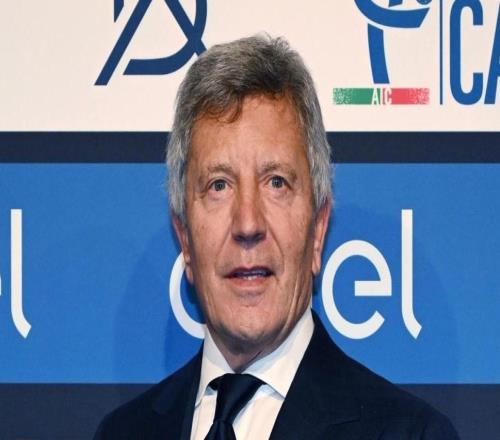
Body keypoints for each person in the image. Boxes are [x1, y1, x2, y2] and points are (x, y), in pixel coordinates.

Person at [94, 35, 459, 439]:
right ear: (184, 238)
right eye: (219, 185)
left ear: (318, 231)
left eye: (276, 182)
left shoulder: (411, 434)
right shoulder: (121, 433)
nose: (248, 223)